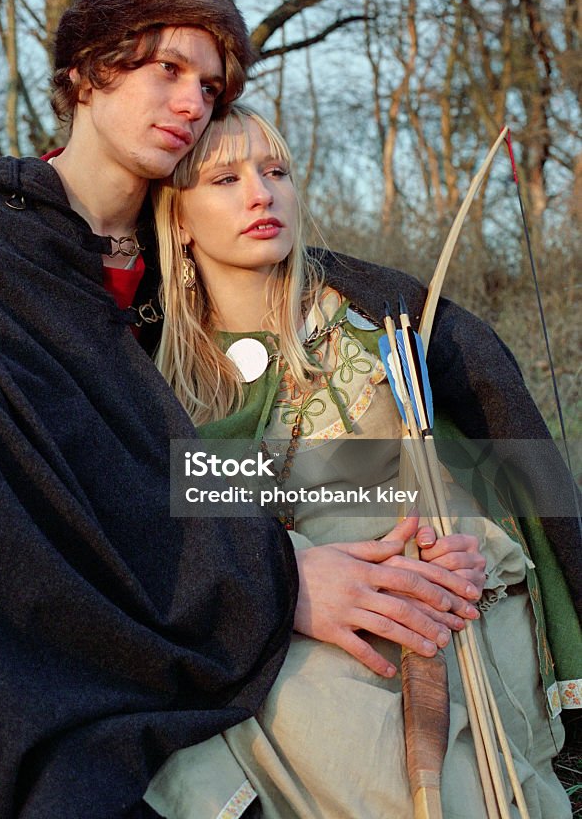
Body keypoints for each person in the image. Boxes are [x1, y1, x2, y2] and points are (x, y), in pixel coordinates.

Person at [0, 0, 300, 818]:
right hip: (26, 588)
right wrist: (280, 577)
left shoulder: (195, 230)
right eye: (167, 68)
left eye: (210, 84)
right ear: (87, 73)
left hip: (221, 527)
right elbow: (28, 452)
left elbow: (318, 314)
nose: (193, 102)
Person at [146, 103, 580, 818]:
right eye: (224, 178)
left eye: (276, 170)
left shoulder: (374, 319)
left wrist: (453, 542)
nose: (262, 193)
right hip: (297, 627)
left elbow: (473, 458)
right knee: (285, 710)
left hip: (450, 602)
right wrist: (286, 572)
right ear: (179, 219)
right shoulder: (171, 386)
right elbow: (194, 538)